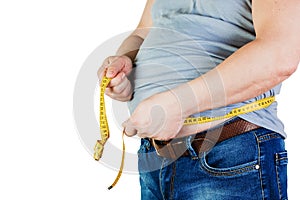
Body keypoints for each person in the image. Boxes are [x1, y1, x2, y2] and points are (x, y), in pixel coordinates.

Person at [97, 0, 299, 199]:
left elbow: (281, 54)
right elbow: (143, 32)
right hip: (154, 160)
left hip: (229, 155)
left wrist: (180, 104)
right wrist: (124, 63)